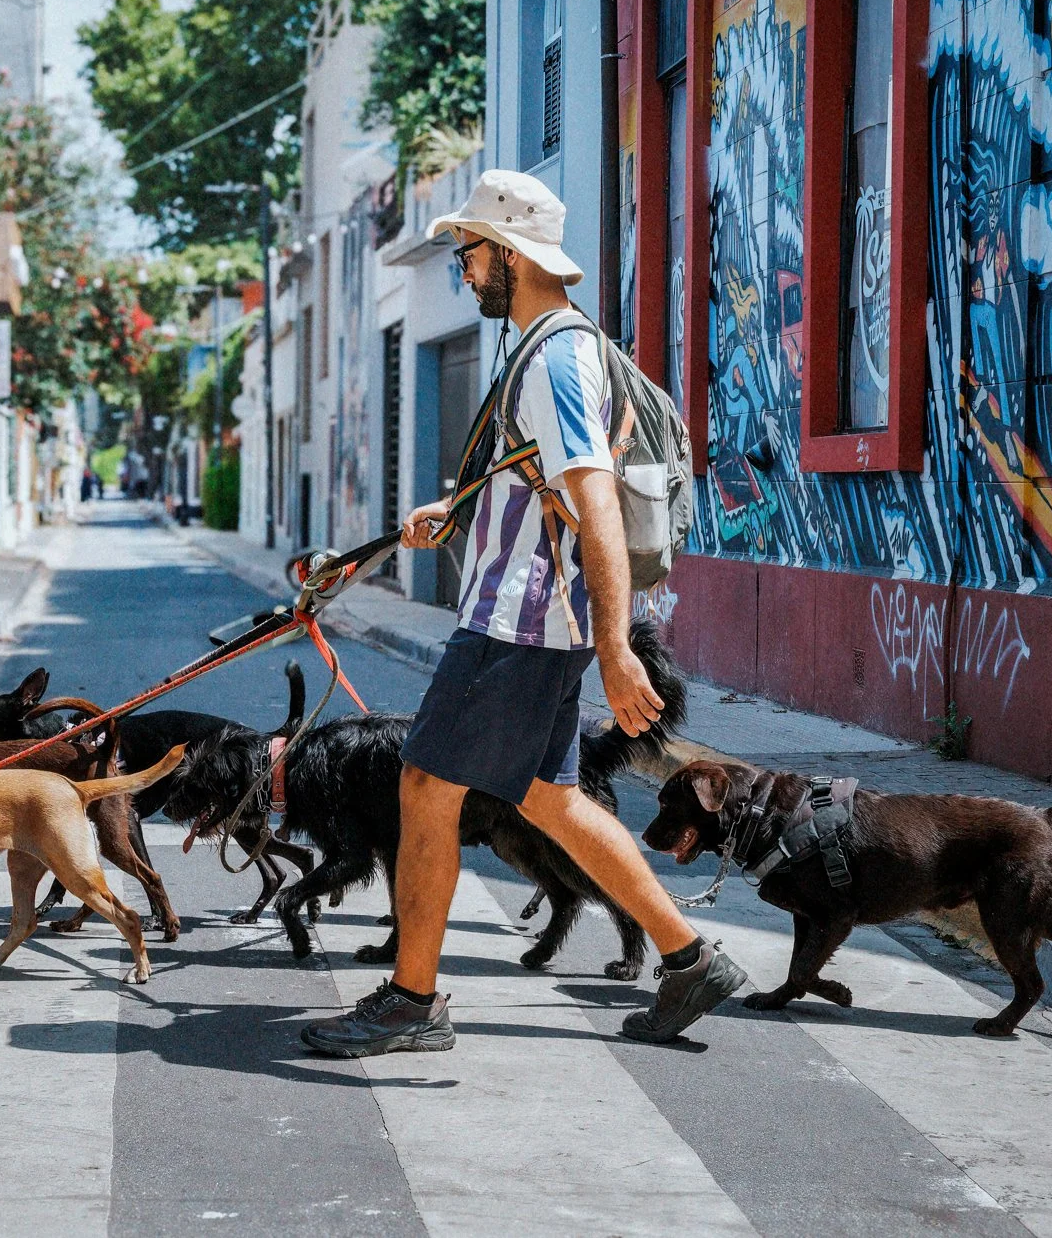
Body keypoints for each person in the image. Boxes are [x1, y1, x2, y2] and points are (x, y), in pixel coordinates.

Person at [300, 170, 745, 1056]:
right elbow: (541, 479)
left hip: (523, 624)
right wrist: (458, 510)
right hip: (534, 617)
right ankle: (690, 956)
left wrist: (617, 645)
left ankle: (412, 1000)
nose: (462, 271)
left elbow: (596, 503)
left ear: (507, 255)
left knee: (424, 786)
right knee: (550, 799)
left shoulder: (555, 357)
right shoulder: (548, 344)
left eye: (468, 254)